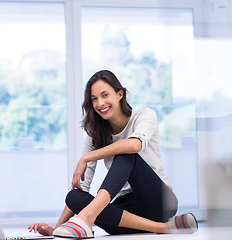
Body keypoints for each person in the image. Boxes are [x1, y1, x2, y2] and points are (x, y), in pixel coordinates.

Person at [28, 70, 198, 238]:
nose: (100, 103)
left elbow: (134, 145)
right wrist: (56, 230)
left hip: (159, 202)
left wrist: (86, 157)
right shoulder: (94, 133)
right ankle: (162, 228)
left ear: (120, 94)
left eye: (104, 95)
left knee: (126, 153)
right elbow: (83, 186)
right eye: (94, 99)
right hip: (128, 215)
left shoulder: (145, 115)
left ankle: (87, 218)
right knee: (74, 197)